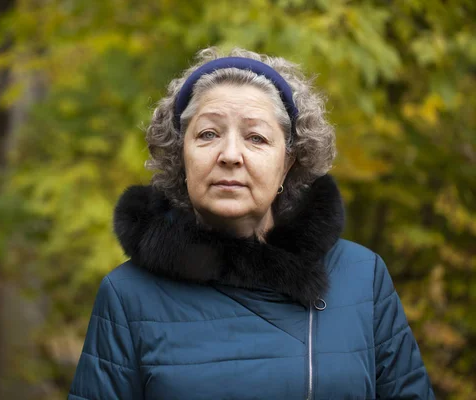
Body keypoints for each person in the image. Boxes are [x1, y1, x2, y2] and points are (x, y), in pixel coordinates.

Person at [67, 47, 435, 399]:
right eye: (208, 134)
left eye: (256, 137)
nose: (229, 155)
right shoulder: (127, 295)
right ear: (182, 157)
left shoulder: (361, 277)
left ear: (288, 163)